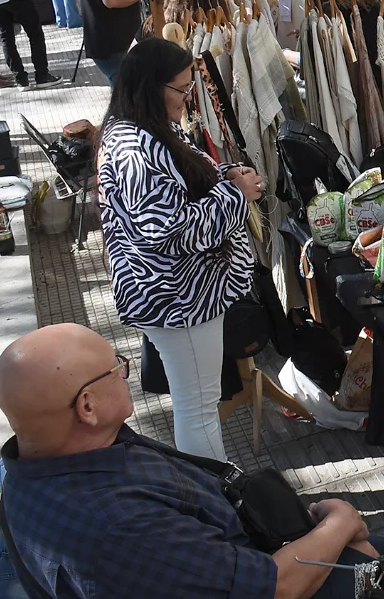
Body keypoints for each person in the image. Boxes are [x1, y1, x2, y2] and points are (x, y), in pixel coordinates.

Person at [0, 324, 384, 599]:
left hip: (265, 547)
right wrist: (339, 526)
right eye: (116, 370)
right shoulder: (116, 529)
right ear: (86, 406)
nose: (127, 373)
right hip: (276, 572)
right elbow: (273, 587)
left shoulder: (34, 462)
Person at [99, 39, 262, 459]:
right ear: (151, 87)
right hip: (179, 299)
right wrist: (236, 196)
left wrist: (225, 176)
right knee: (199, 408)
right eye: (182, 90)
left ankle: (213, 498)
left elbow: (179, 187)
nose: (187, 99)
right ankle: (217, 503)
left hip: (180, 295)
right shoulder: (135, 148)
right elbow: (170, 232)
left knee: (198, 405)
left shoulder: (145, 126)